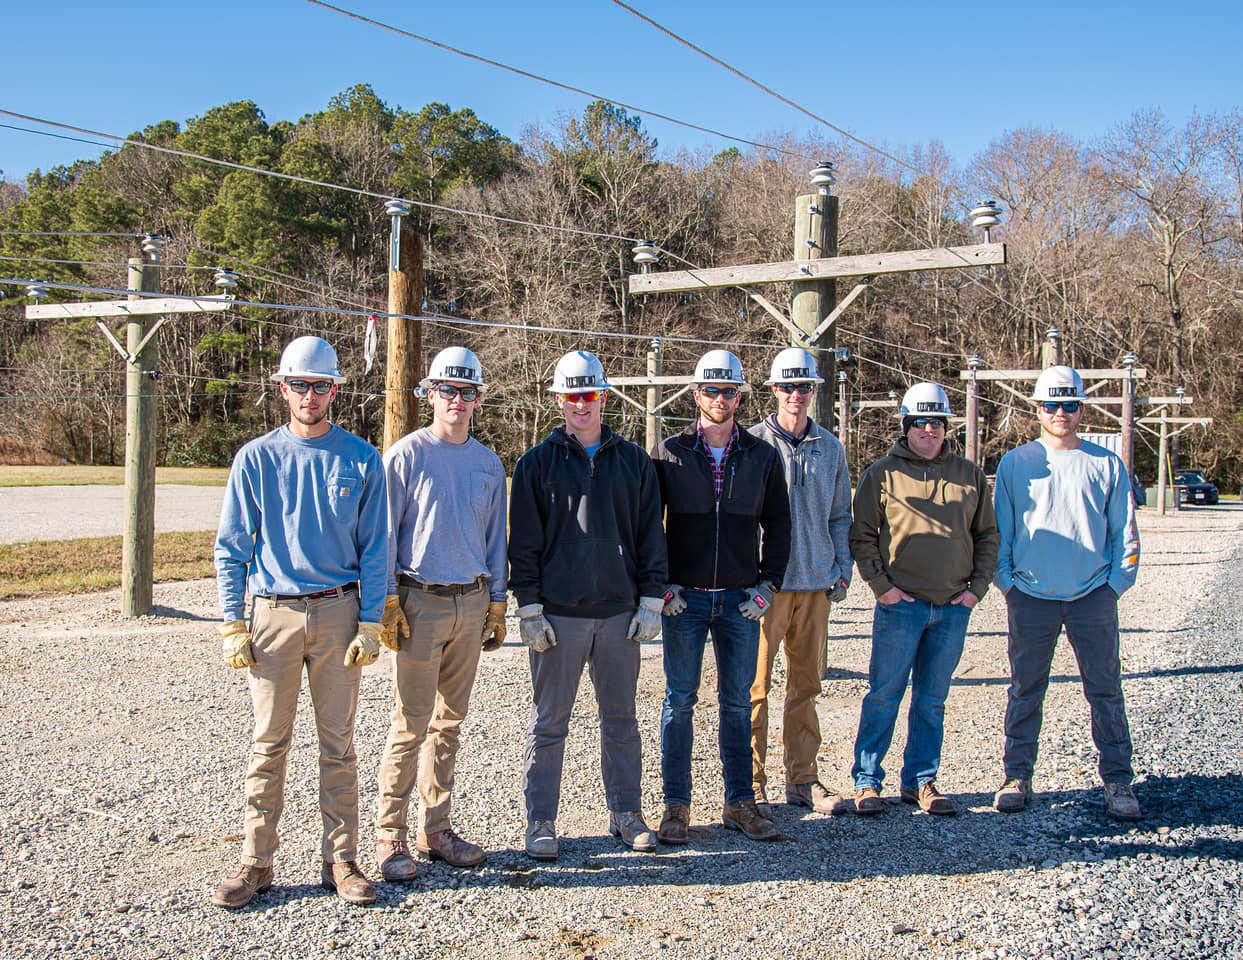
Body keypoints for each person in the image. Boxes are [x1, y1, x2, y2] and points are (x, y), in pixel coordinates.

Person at [212, 336, 387, 908]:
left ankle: (341, 859)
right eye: (299, 385)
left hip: (339, 613)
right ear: (282, 388)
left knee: (338, 745)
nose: (310, 396)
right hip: (273, 614)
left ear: (335, 389)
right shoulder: (256, 458)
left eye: (320, 386)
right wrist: (233, 622)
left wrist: (371, 622)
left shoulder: (361, 459)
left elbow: (376, 549)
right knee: (268, 743)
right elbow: (232, 547)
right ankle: (257, 861)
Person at [508, 350, 668, 861]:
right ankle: (540, 821)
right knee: (549, 723)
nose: (582, 404)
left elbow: (650, 536)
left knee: (621, 720)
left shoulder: (634, 462)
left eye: (590, 394)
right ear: (559, 399)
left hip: (620, 614)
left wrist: (650, 599)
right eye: (572, 395)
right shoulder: (536, 464)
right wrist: (528, 607)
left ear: (604, 397)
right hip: (559, 617)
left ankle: (627, 813)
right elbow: (524, 545)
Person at [373, 347, 508, 881]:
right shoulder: (405, 456)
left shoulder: (488, 463)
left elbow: (497, 539)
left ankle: (438, 828)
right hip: (419, 601)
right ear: (428, 394)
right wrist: (386, 600)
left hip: (471, 601)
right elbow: (382, 534)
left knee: (449, 723)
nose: (456, 400)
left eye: (466, 392)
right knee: (410, 724)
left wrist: (498, 601)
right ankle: (390, 834)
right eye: (446, 391)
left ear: (478, 399)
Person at [651, 349, 791, 843]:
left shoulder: (761, 456)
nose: (720, 399)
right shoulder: (669, 452)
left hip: (739, 600)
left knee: (737, 702)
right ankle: (676, 806)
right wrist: (662, 585)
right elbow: (650, 526)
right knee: (680, 700)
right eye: (711, 390)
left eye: (729, 391)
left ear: (739, 396)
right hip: (684, 599)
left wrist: (767, 585)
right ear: (696, 394)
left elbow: (778, 525)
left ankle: (740, 802)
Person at [992, 365, 1142, 820]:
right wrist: (1008, 583)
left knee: (1105, 690)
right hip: (1031, 596)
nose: (1061, 413)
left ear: (1081, 409)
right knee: (1025, 689)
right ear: (1037, 408)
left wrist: (1115, 585)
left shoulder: (1106, 463)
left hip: (1093, 594)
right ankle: (1017, 775)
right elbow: (1000, 531)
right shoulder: (1017, 463)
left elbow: (1125, 533)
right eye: (1053, 404)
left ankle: (1118, 781)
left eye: (1070, 405)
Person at [848, 382, 997, 817]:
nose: (928, 430)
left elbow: (987, 534)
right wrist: (882, 587)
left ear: (946, 426)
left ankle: (921, 781)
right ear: (906, 426)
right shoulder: (882, 473)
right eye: (919, 423)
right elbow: (862, 535)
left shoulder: (969, 474)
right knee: (883, 695)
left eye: (936, 423)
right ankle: (867, 781)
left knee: (932, 700)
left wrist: (976, 590)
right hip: (901, 606)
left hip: (952, 607)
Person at [748, 348, 853, 816]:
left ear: (814, 390)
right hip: (763, 587)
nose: (796, 395)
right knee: (753, 688)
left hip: (815, 584)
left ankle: (803, 778)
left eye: (803, 387)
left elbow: (840, 515)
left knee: (806, 685)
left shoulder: (830, 448)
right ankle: (750, 783)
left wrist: (842, 569)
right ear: (773, 390)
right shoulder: (750, 445)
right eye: (788, 386)